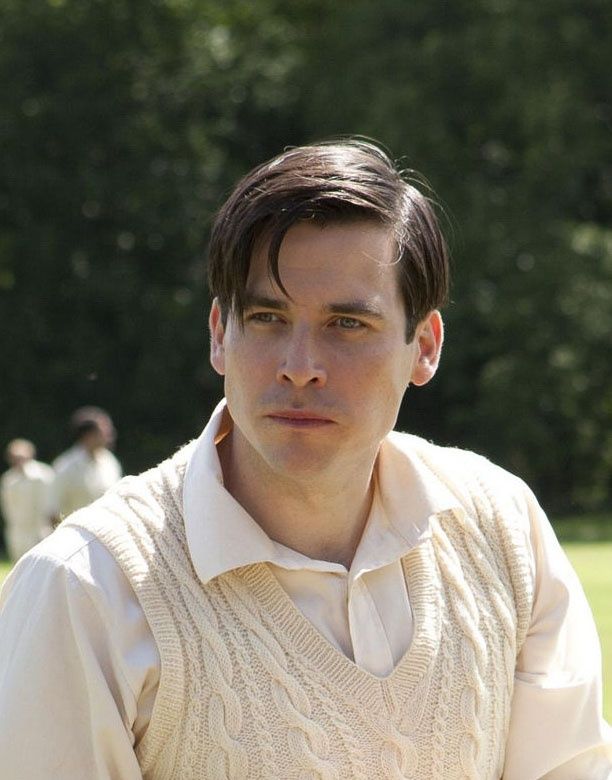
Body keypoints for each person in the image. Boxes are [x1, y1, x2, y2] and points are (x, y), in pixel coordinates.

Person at [0, 140, 610, 779]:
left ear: (425, 347)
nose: (299, 368)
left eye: (347, 325)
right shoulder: (87, 590)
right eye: (267, 317)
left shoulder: (502, 529)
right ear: (218, 335)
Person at [51, 405, 122, 520]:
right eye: (105, 430)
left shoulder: (110, 461)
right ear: (88, 435)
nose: (111, 434)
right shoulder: (65, 466)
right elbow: (53, 512)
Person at [0, 439, 54, 561]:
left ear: (30, 455)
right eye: (13, 457)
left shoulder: (43, 475)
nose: (17, 461)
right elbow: (7, 509)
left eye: (20, 457)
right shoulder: (8, 480)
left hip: (40, 531)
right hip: (18, 533)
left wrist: (47, 530)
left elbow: (50, 505)